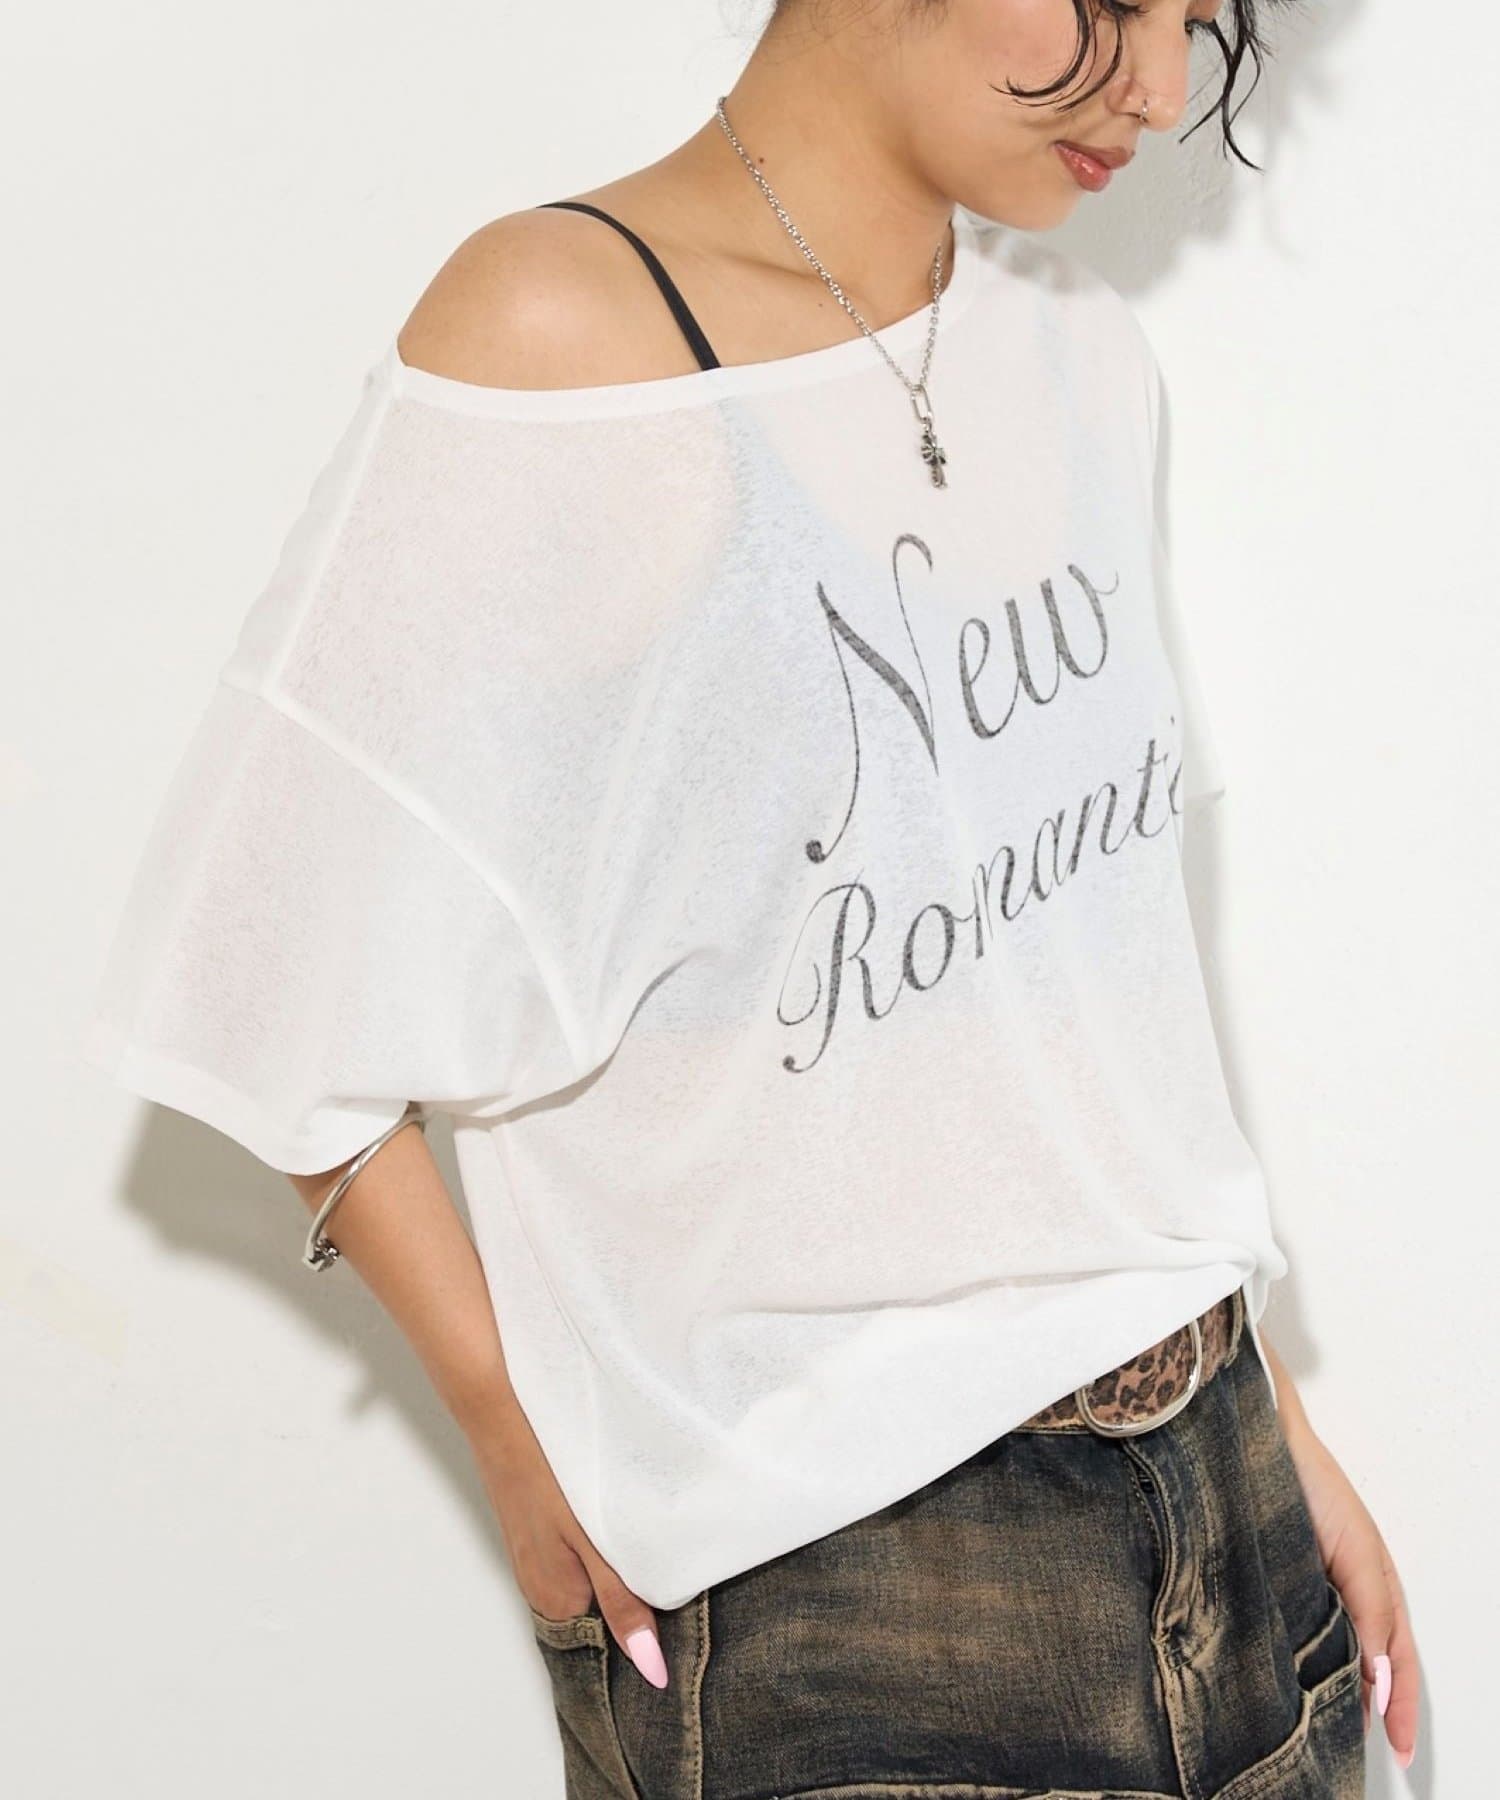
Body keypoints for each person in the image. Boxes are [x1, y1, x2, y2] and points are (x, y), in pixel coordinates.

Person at [82, 0, 1420, 1793]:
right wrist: (510, 1429)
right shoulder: (563, 334)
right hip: (844, 1595)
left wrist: (1269, 1423)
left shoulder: (1076, 351)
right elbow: (258, 960)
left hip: (1231, 1509)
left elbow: (1077, 1005)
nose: (1167, 86)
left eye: (1200, 17)